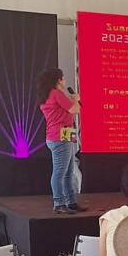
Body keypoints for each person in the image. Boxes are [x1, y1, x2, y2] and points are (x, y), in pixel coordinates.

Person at [37, 68, 83, 214]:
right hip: (59, 136)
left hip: (63, 133)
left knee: (68, 171)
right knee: (60, 172)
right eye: (63, 78)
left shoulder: (47, 96)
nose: (64, 81)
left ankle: (70, 202)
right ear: (58, 80)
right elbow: (75, 110)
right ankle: (59, 202)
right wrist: (76, 99)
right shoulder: (56, 94)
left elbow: (73, 109)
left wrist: (76, 102)